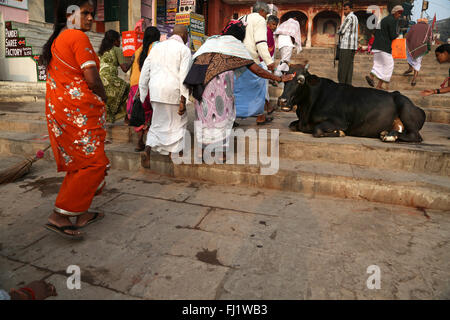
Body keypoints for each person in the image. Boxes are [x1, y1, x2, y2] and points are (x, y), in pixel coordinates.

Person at [40, 0, 109, 239]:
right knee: (94, 162)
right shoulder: (77, 38)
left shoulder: (59, 38)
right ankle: (60, 216)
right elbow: (91, 78)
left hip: (62, 111)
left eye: (92, 13)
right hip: (77, 113)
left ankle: (82, 212)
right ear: (70, 14)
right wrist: (104, 96)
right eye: (86, 13)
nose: (91, 18)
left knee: (81, 161)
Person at [184, 21, 294, 160]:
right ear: (239, 37)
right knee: (220, 115)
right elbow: (257, 69)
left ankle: (202, 150)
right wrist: (278, 79)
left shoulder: (211, 41)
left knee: (204, 115)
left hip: (199, 82)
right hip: (218, 84)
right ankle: (220, 153)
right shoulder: (234, 45)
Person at [139, 25, 192, 164]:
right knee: (178, 123)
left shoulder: (157, 47)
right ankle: (174, 153)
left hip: (156, 91)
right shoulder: (184, 50)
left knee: (157, 123)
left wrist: (143, 92)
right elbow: (184, 76)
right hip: (173, 91)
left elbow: (145, 70)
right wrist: (183, 100)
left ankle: (147, 150)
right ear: (185, 35)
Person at [234, 1, 275, 125]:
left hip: (236, 57)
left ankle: (232, 117)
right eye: (266, 14)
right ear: (262, 11)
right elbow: (261, 42)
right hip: (250, 59)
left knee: (237, 89)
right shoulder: (259, 19)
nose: (266, 17)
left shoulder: (241, 18)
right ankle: (260, 116)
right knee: (260, 85)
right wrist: (269, 61)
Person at [126, 26, 160, 152]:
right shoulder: (156, 48)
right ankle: (150, 144)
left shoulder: (137, 51)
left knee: (139, 113)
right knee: (151, 113)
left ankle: (140, 142)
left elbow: (132, 72)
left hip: (134, 87)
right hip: (148, 86)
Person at [366, 5, 403, 90]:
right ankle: (379, 85)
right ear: (395, 13)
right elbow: (392, 35)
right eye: (399, 13)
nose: (400, 15)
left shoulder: (384, 19)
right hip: (384, 47)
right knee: (389, 65)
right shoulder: (392, 20)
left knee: (378, 64)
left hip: (376, 46)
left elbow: (376, 32)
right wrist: (398, 34)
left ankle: (371, 77)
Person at [98, 30, 132, 123]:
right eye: (119, 40)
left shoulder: (101, 51)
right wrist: (132, 60)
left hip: (100, 81)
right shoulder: (117, 50)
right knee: (129, 90)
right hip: (111, 80)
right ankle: (125, 118)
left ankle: (109, 117)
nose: (120, 42)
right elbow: (124, 69)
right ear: (115, 40)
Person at [403, 18, 433, 87]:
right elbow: (430, 37)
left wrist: (409, 43)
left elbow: (408, 36)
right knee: (418, 62)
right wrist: (429, 47)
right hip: (421, 47)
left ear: (419, 21)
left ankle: (410, 68)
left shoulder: (413, 26)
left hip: (412, 46)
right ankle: (414, 79)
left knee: (408, 56)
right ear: (426, 22)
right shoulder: (428, 27)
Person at [337, 2, 359, 85]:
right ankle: (348, 84)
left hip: (346, 46)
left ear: (350, 9)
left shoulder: (349, 17)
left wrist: (339, 29)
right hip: (352, 46)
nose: (345, 11)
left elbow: (341, 31)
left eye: (346, 9)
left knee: (343, 67)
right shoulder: (355, 17)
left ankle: (341, 85)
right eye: (344, 9)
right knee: (349, 67)